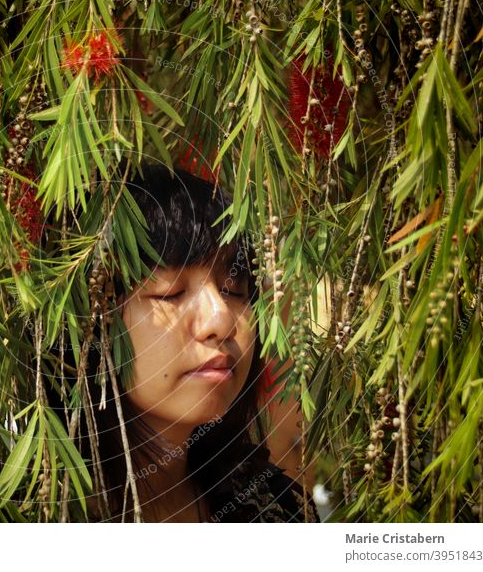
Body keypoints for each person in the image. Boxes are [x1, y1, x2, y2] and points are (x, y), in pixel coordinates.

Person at [50, 161, 318, 523]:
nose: (221, 320)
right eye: (171, 293)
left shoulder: (273, 509)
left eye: (234, 290)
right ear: (88, 326)